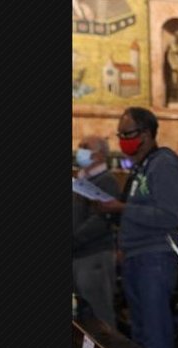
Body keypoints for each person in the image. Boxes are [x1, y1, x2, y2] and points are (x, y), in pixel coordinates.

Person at [98, 107, 178, 348]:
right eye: (119, 135)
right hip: (136, 256)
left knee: (155, 336)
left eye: (127, 134)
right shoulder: (142, 167)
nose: (122, 140)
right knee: (139, 334)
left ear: (146, 134)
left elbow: (171, 215)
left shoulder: (164, 164)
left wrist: (122, 208)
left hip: (155, 258)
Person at [73, 135, 120, 328]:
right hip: (77, 254)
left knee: (99, 314)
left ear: (100, 155)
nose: (80, 150)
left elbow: (100, 220)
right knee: (82, 314)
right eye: (80, 146)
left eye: (85, 147)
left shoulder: (106, 180)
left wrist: (73, 239)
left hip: (94, 255)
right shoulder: (81, 179)